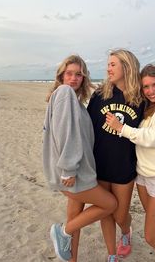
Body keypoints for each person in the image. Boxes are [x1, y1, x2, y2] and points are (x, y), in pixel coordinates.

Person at [42, 54, 117, 262]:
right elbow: (65, 133)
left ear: (83, 78)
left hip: (76, 170)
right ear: (61, 75)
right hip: (74, 172)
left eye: (79, 75)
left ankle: (70, 256)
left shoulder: (72, 100)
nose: (74, 78)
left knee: (75, 217)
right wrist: (68, 168)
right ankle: (63, 231)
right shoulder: (65, 93)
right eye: (69, 73)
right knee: (110, 204)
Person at [106, 64, 155, 262]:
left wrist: (121, 128)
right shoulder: (150, 107)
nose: (150, 91)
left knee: (151, 236)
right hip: (143, 174)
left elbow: (152, 138)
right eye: (146, 87)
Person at [87, 49, 145, 262]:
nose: (108, 68)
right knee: (105, 212)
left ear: (126, 67)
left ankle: (126, 232)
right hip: (100, 164)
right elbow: (87, 125)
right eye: (108, 64)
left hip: (124, 166)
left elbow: (152, 127)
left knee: (120, 214)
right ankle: (111, 253)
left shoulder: (139, 97)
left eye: (113, 64)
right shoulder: (101, 94)